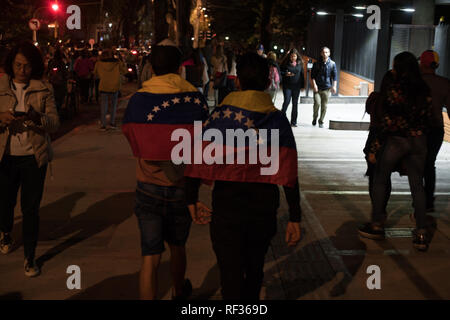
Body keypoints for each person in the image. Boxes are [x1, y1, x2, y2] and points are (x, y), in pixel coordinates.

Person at [185, 52, 302, 300]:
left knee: (230, 274)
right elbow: (289, 169)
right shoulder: (277, 120)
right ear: (267, 82)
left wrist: (191, 197)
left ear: (238, 81)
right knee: (255, 268)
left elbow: (197, 157)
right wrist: (294, 215)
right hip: (263, 207)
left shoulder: (219, 117)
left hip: (227, 206)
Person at [121, 40, 209, 300]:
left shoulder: (139, 100)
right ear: (180, 67)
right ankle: (179, 292)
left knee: (150, 256)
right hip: (181, 187)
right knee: (178, 247)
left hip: (147, 185)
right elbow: (204, 142)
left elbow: (132, 138)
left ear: (151, 67)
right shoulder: (194, 98)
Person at [358, 52, 433, 251]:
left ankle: (376, 224)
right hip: (418, 140)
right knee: (417, 186)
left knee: (381, 178)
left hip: (397, 140)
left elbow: (388, 120)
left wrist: (375, 147)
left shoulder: (397, 88)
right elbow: (428, 118)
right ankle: (421, 233)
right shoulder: (424, 89)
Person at [0, 41, 60, 276]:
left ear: (34, 66)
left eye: (26, 66)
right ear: (11, 63)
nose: (21, 70)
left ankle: (30, 257)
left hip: (33, 158)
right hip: (5, 156)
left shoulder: (43, 89)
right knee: (5, 202)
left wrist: (37, 117)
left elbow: (54, 124)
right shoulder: (2, 85)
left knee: (31, 209)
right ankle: (5, 231)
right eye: (18, 65)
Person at [419, 50, 450, 212]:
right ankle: (429, 200)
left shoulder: (415, 82)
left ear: (422, 64)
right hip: (437, 130)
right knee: (430, 164)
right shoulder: (445, 83)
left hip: (418, 130)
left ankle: (418, 199)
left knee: (416, 164)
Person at [94, 48, 127, 130]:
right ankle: (112, 123)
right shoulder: (117, 63)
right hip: (114, 86)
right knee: (113, 105)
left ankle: (103, 124)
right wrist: (121, 61)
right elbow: (124, 71)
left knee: (104, 105)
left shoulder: (98, 63)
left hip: (104, 85)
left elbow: (95, 73)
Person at [311, 46, 337, 128]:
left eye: (326, 52)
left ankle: (321, 121)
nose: (325, 54)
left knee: (324, 106)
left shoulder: (332, 64)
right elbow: (312, 76)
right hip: (317, 88)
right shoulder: (316, 63)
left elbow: (335, 76)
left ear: (329, 53)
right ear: (321, 53)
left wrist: (334, 86)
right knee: (317, 104)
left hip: (327, 88)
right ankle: (314, 118)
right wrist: (314, 85)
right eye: (323, 52)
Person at [280, 49, 305, 127]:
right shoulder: (285, 63)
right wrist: (285, 73)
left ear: (297, 56)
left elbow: (302, 75)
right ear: (289, 56)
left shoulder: (300, 64)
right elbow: (280, 71)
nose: (293, 58)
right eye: (291, 56)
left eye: (294, 56)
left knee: (295, 104)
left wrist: (303, 86)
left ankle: (293, 122)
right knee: (287, 101)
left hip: (296, 87)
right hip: (287, 86)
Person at [47, 48, 68, 113]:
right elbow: (65, 73)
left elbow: (48, 71)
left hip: (52, 82)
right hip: (60, 83)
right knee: (60, 97)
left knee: (54, 97)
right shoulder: (61, 63)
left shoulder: (51, 62)